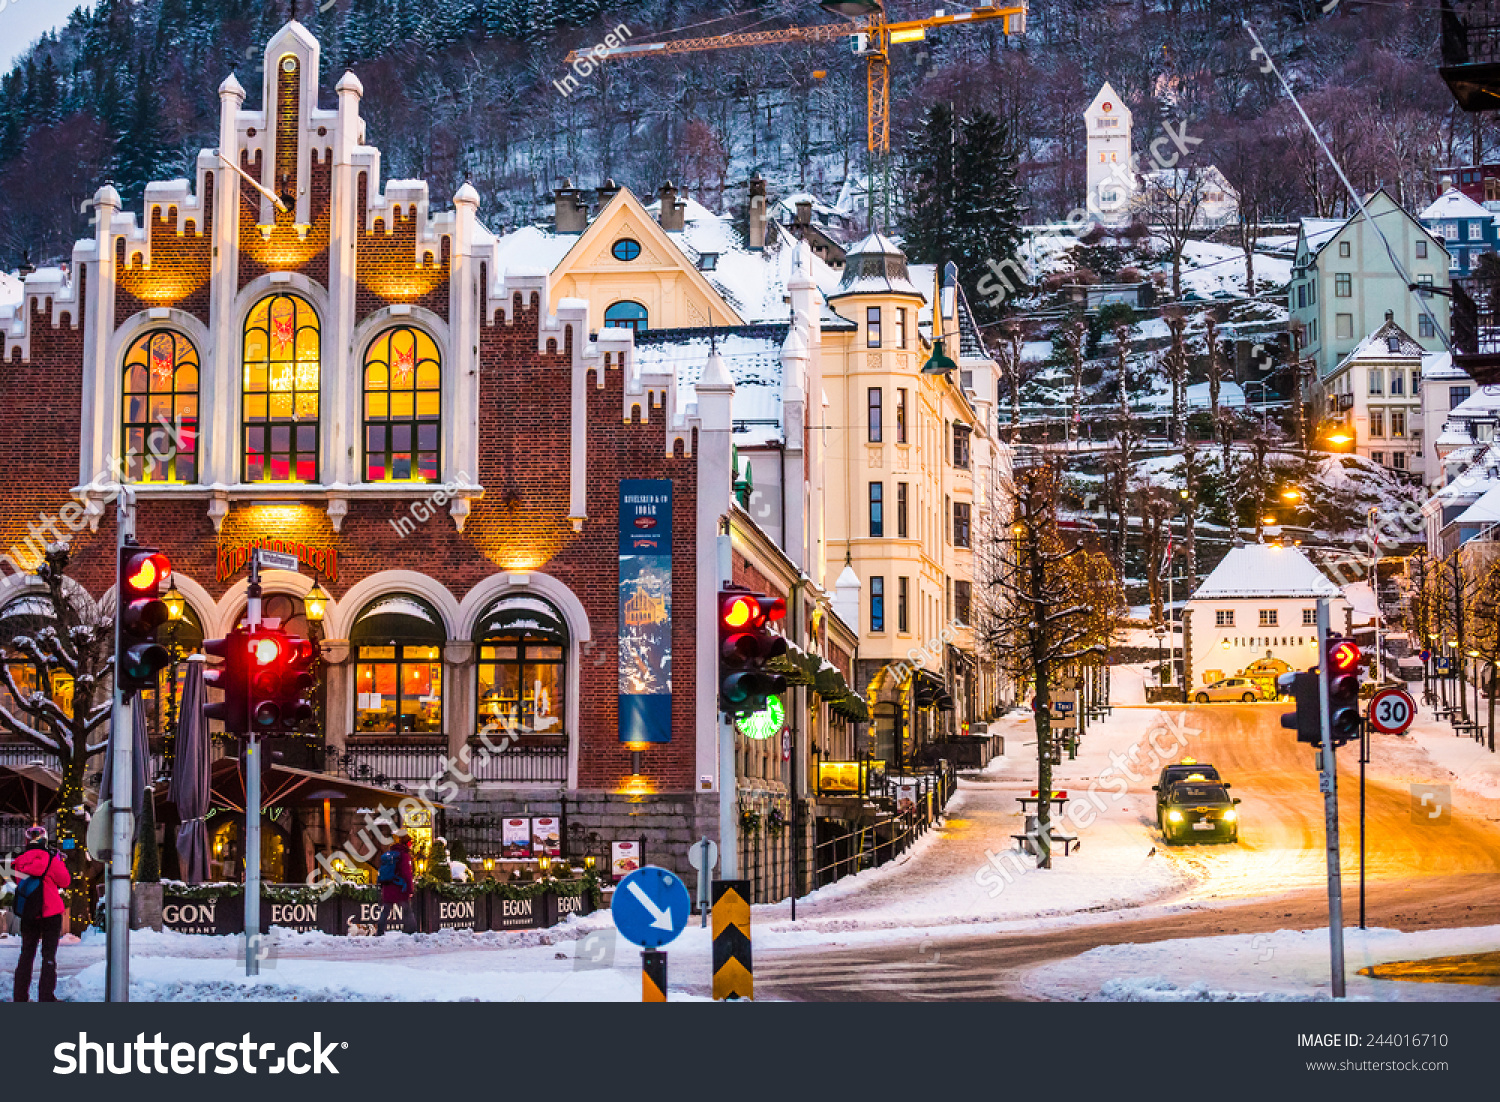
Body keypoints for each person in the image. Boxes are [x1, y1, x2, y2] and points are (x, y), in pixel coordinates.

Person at [12, 826, 72, 1003]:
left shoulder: (19, 861)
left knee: (26, 954)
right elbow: (65, 881)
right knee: (48, 956)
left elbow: (19, 882)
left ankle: (20, 996)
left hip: (29, 914)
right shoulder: (51, 859)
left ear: (26, 841)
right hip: (50, 913)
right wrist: (59, 862)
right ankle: (46, 997)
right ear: (44, 840)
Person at [374, 826, 415, 936]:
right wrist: (410, 889)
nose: (411, 845)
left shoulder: (390, 854)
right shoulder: (404, 855)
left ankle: (379, 932)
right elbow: (407, 874)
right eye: (410, 842)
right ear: (406, 843)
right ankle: (411, 932)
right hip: (400, 888)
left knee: (385, 910)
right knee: (407, 910)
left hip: (388, 887)